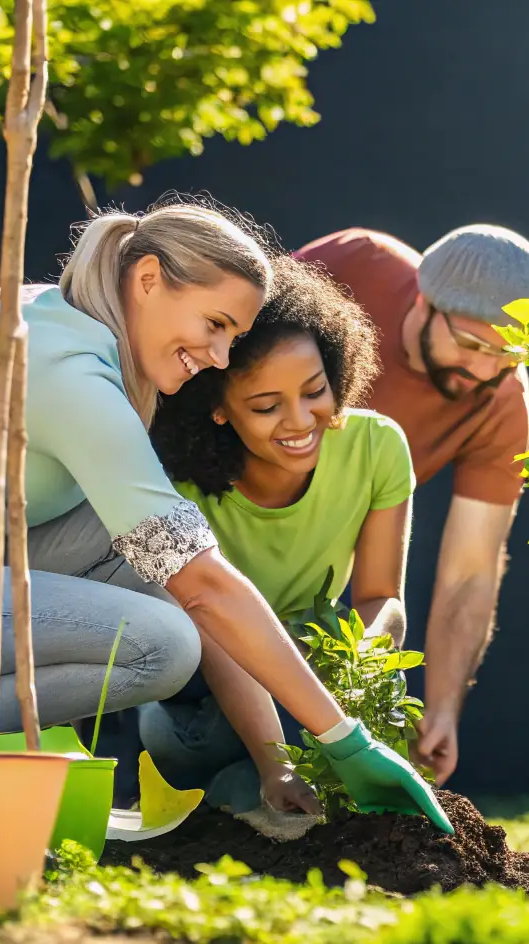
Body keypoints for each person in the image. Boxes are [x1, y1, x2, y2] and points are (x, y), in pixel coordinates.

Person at [0, 202, 448, 859]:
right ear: (148, 280)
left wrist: (277, 762)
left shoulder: (67, 329)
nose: (220, 359)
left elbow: (178, 567)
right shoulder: (67, 367)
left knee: (140, 558)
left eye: (235, 337)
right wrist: (343, 738)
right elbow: (203, 587)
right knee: (160, 645)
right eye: (216, 326)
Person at [141, 255, 415, 839]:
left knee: (374, 669)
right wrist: (278, 762)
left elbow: (380, 596)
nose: (300, 422)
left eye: (315, 391)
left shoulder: (378, 447)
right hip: (203, 692)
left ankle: (245, 800)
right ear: (217, 408)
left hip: (306, 670)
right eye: (266, 407)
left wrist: (358, 671)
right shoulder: (176, 485)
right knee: (214, 741)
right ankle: (243, 787)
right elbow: (212, 624)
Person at [293, 225, 529, 785]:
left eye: (507, 356)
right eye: (471, 345)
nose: (485, 370)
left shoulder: (503, 403)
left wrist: (442, 710)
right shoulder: (353, 266)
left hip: (324, 578)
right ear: (423, 299)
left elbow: (470, 573)